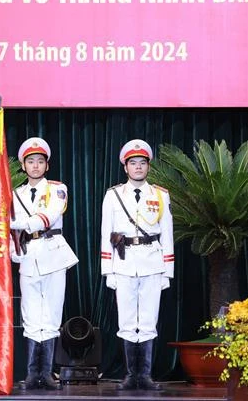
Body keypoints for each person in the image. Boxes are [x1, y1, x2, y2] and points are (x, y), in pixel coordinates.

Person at [100, 139, 174, 391]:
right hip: (123, 262)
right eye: (133, 163)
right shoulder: (113, 195)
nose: (138, 167)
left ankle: (146, 376)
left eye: (142, 163)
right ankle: (131, 375)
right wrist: (107, 269)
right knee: (127, 320)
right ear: (125, 168)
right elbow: (105, 233)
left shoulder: (160, 195)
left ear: (148, 167)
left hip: (152, 262)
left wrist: (168, 271)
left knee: (149, 320)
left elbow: (167, 233)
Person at [9, 137, 78, 390]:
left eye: (40, 161)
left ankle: (47, 373)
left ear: (47, 165)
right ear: (23, 165)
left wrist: (16, 224)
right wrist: (12, 251)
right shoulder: (15, 193)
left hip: (52, 254)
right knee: (30, 316)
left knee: (50, 315)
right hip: (27, 256)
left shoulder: (57, 189)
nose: (35, 166)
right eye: (30, 161)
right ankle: (31, 374)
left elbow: (48, 217)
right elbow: (10, 232)